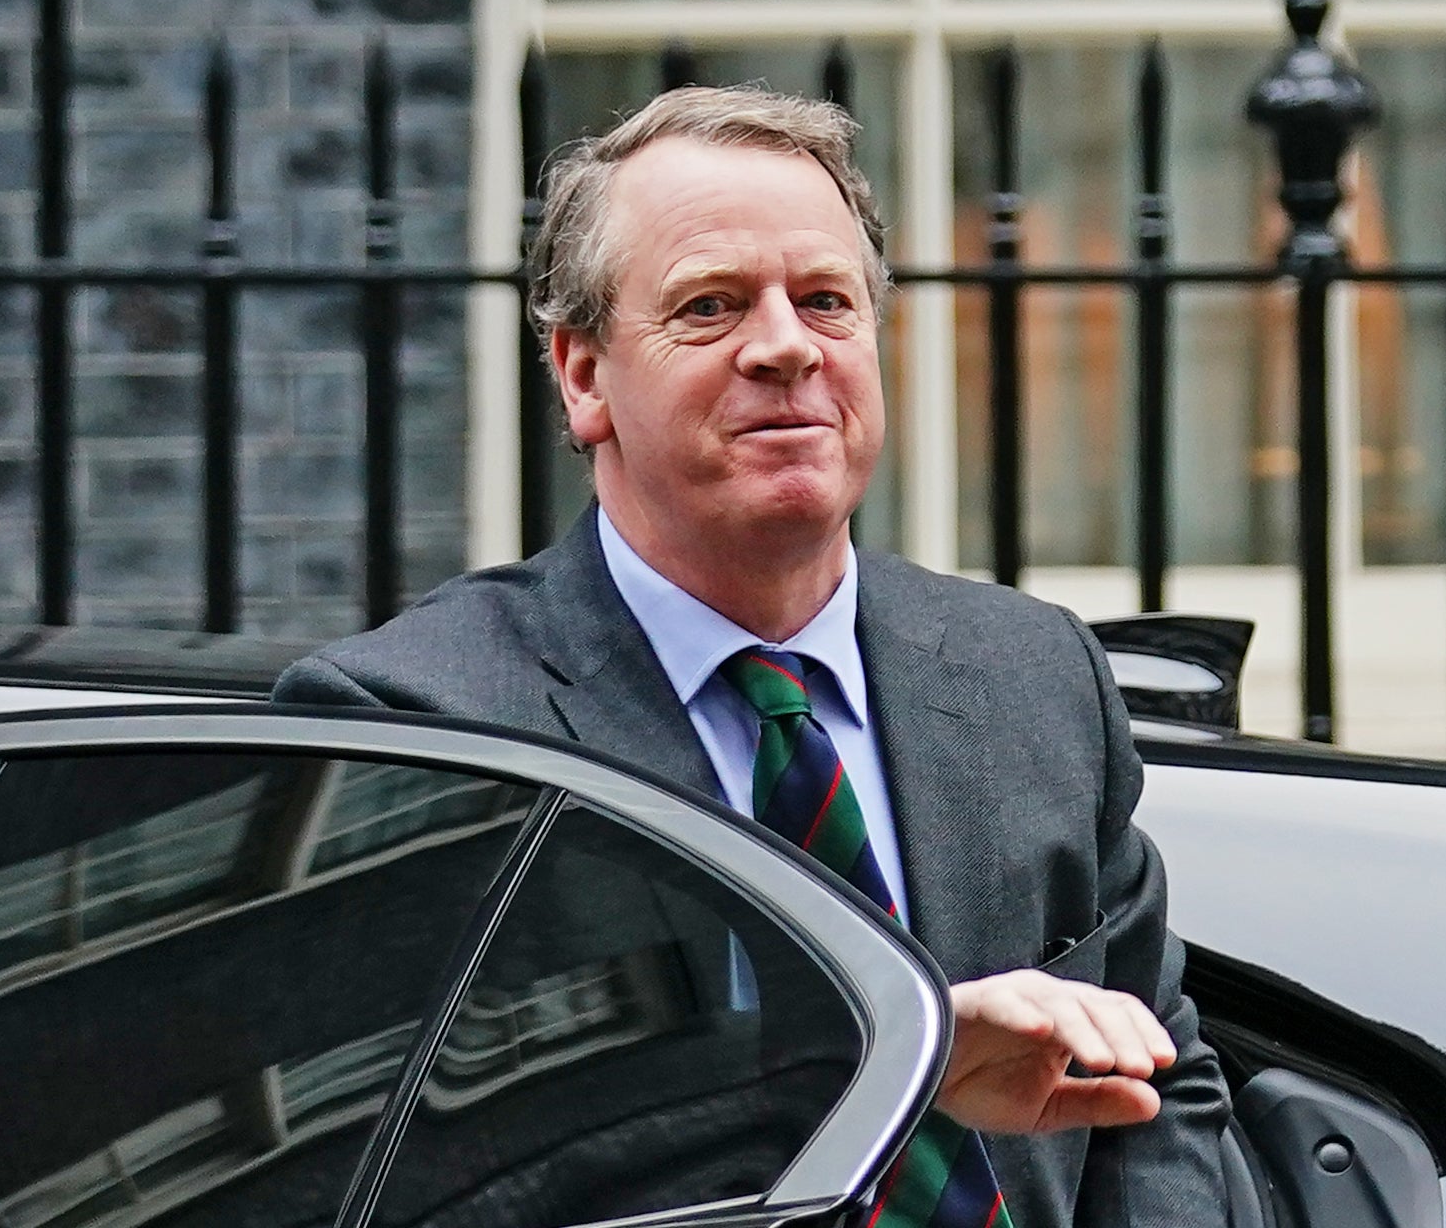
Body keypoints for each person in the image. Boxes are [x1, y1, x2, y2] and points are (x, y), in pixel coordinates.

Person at [275, 85, 1231, 1227]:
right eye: (710, 306)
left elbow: (1162, 1088)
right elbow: (396, 1180)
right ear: (582, 377)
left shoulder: (1032, 675)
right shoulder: (410, 721)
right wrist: (894, 1065)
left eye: (825, 301)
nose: (783, 346)